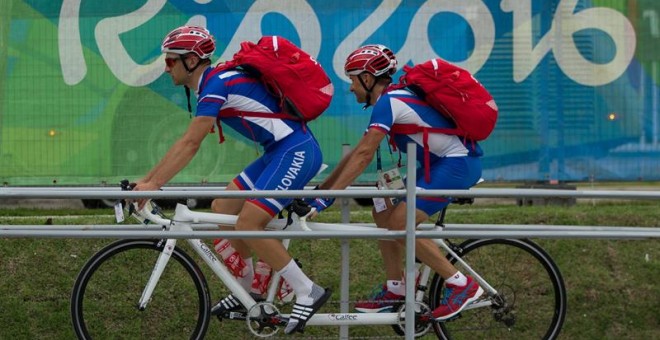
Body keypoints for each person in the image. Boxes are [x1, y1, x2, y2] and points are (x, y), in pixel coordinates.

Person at [132, 26, 330, 334]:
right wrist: (145, 182)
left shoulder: (215, 84)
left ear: (192, 61)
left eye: (171, 61)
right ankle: (248, 289)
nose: (166, 67)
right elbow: (187, 141)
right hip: (277, 152)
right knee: (223, 208)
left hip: (296, 152)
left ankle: (307, 290)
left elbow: (190, 143)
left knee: (248, 224)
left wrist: (153, 185)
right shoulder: (214, 83)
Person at [305, 45, 484, 320]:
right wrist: (323, 190)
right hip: (438, 165)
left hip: (458, 163)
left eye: (353, 79)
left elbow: (364, 155)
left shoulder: (390, 102)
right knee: (382, 211)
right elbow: (358, 150)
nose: (351, 88)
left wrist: (327, 198)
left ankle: (461, 284)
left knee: (400, 224)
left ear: (368, 78)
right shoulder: (389, 101)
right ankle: (396, 288)